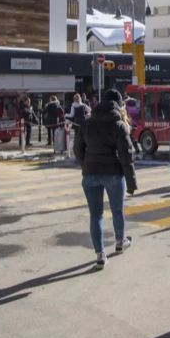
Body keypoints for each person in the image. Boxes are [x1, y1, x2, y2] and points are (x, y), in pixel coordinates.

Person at [73, 89, 137, 271]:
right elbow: (127, 156)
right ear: (118, 105)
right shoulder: (119, 125)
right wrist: (131, 183)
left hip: (90, 174)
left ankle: (100, 255)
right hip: (114, 175)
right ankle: (120, 242)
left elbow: (77, 149)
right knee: (117, 210)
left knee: (96, 215)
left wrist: (86, 165)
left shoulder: (87, 122)